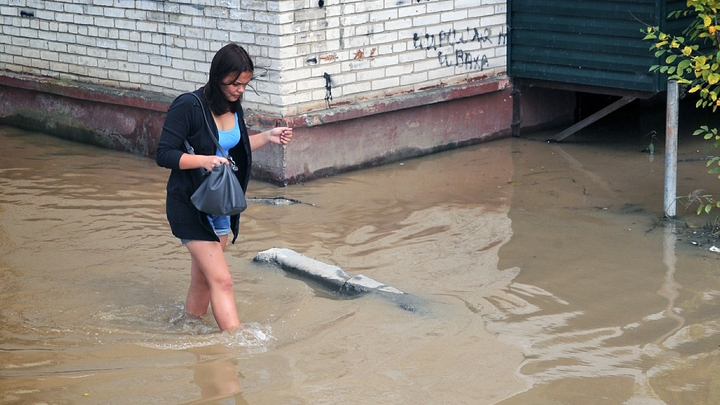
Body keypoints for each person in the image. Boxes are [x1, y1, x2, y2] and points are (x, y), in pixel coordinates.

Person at [156, 43, 293, 331]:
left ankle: (189, 330)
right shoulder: (189, 106)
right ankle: (234, 347)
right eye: (234, 83)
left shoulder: (234, 108)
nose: (239, 90)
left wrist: (268, 136)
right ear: (217, 77)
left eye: (244, 84)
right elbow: (164, 154)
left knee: (204, 279)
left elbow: (233, 150)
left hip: (220, 206)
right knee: (223, 280)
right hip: (190, 205)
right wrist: (202, 160)